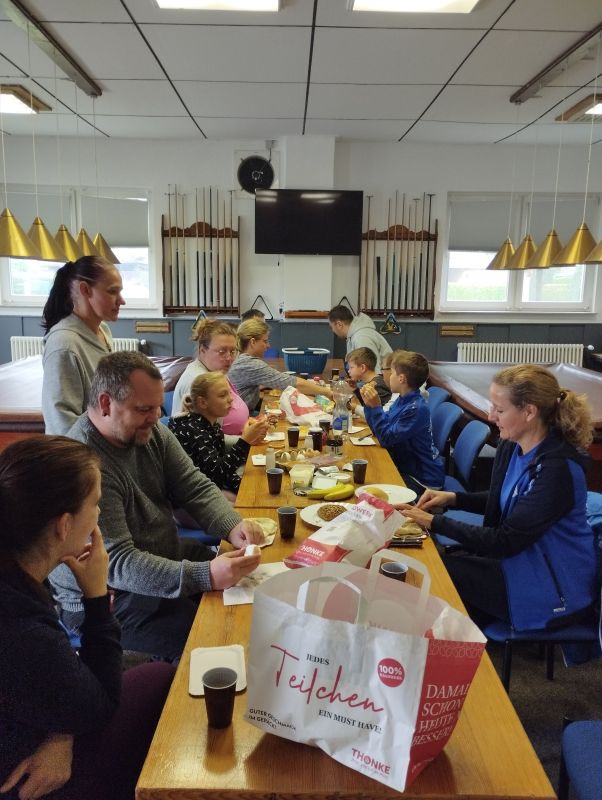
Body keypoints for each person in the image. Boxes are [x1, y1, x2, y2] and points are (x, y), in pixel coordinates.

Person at [50, 351, 262, 661]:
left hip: (157, 558)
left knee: (245, 592)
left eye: (157, 406)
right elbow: (118, 563)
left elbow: (193, 485)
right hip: (107, 598)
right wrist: (206, 575)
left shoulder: (151, 432)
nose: (156, 416)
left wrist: (233, 525)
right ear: (106, 404)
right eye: (144, 409)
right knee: (208, 638)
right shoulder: (84, 464)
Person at [0, 436, 175, 800]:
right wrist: (96, 597)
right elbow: (98, 707)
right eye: (95, 504)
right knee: (160, 677)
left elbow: (60, 686)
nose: (99, 514)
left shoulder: (16, 567)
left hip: (36, 721)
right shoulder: (24, 630)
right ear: (64, 526)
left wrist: (61, 732)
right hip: (25, 780)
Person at [400, 364, 596, 632]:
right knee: (433, 578)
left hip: (552, 587)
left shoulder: (557, 470)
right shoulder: (514, 446)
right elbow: (505, 499)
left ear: (529, 412)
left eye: (500, 410)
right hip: (519, 565)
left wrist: (434, 522)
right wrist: (453, 498)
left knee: (431, 575)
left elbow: (506, 540)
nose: (491, 416)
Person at [41, 256, 126, 435]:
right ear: (85, 290)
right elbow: (62, 426)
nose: (121, 300)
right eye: (112, 291)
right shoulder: (64, 345)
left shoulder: (103, 330)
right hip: (83, 451)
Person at [169, 372, 269, 493]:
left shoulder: (211, 423)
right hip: (193, 494)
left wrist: (245, 488)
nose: (231, 399)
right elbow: (219, 474)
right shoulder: (191, 429)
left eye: (229, 393)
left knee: (259, 488)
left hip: (211, 485)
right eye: (222, 395)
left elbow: (222, 470)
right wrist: (245, 441)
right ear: (203, 402)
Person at [361, 350, 444, 495]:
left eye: (392, 373)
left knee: (371, 488)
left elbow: (386, 439)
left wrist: (376, 407)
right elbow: (380, 430)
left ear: (401, 379)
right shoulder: (402, 399)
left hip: (423, 479)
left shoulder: (416, 408)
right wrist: (369, 405)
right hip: (408, 468)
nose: (388, 376)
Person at [228, 318, 332, 413]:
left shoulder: (240, 358)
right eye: (265, 341)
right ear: (253, 342)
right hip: (244, 418)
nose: (268, 345)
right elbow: (292, 383)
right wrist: (328, 393)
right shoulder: (250, 364)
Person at [172, 319, 249, 435]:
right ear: (202, 350)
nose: (229, 358)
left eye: (233, 351)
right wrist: (247, 439)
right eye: (222, 351)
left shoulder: (215, 372)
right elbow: (206, 438)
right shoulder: (198, 380)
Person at [328, 305, 392, 371]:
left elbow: (374, 370)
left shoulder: (361, 338)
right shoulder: (353, 334)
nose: (332, 330)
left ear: (339, 324)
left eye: (331, 327)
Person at [346, 346, 392, 419]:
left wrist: (354, 407)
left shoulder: (378, 385)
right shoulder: (371, 382)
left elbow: (382, 414)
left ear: (362, 368)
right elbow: (366, 404)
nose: (349, 371)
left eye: (351, 367)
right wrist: (356, 389)